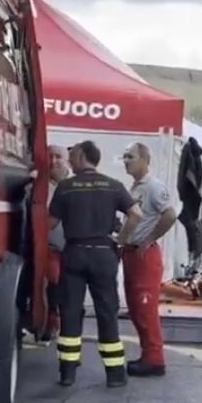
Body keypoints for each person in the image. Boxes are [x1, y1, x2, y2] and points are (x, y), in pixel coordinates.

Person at [48, 140, 134, 388]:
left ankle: (67, 373)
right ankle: (115, 374)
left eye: (72, 155)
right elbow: (136, 214)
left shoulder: (66, 187)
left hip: (75, 253)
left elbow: (50, 224)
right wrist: (121, 239)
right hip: (104, 254)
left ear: (83, 156)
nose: (69, 160)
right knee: (107, 312)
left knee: (70, 311)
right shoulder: (113, 185)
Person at [119, 142, 178, 377]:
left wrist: (149, 238)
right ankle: (147, 355)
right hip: (132, 253)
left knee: (145, 309)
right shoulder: (135, 188)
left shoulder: (153, 187)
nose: (126, 161)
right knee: (135, 308)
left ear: (145, 160)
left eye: (130, 156)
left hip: (144, 255)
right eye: (125, 156)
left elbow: (170, 214)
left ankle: (155, 359)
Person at [42, 145, 72, 341]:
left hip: (72, 249)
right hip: (50, 249)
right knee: (53, 286)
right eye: (50, 156)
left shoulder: (76, 186)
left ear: (67, 161)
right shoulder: (39, 188)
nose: (53, 161)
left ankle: (69, 326)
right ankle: (51, 323)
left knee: (70, 290)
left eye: (58, 157)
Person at [177, 137, 202, 261]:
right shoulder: (196, 158)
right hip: (192, 200)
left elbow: (187, 179)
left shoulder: (188, 154)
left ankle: (191, 252)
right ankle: (193, 253)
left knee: (188, 225)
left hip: (188, 199)